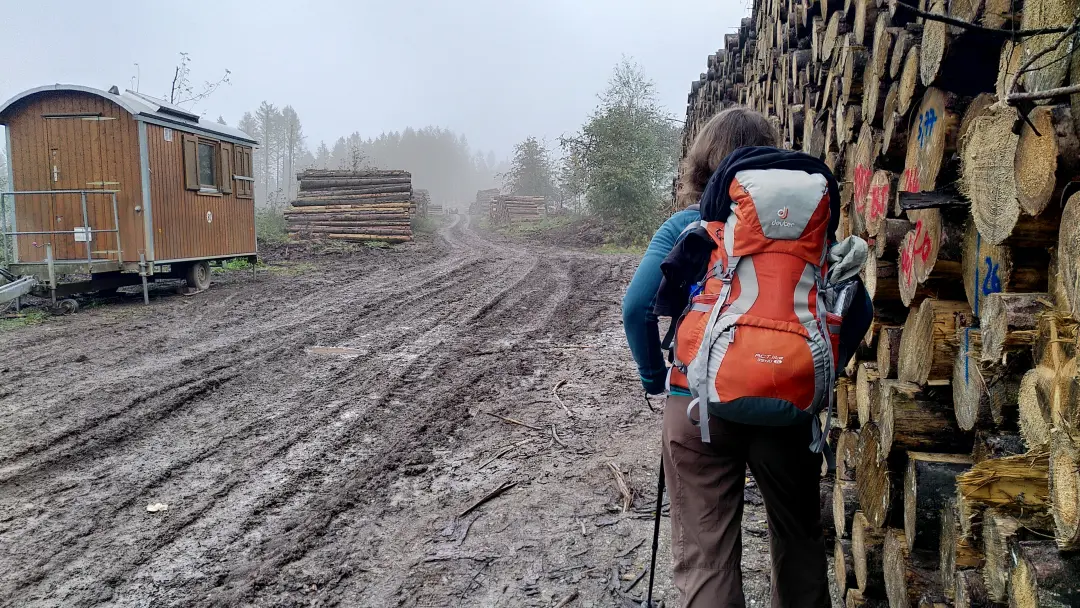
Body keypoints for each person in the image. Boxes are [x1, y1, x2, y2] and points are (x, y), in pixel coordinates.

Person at [622, 107, 834, 608]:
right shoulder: (809, 226)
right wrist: (811, 373)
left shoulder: (689, 224)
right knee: (799, 540)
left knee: (706, 554)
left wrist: (655, 377)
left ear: (701, 163)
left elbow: (637, 308)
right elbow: (856, 308)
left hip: (697, 404)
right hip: (789, 400)